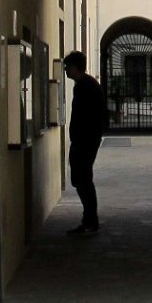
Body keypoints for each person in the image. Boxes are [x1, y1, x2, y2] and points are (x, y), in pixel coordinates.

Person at [62, 51, 107, 236]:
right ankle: (89, 219)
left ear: (75, 67)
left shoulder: (84, 86)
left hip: (85, 141)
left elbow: (85, 116)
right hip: (87, 139)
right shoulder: (87, 84)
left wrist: (80, 139)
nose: (65, 70)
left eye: (67, 67)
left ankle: (90, 220)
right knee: (82, 179)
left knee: (83, 180)